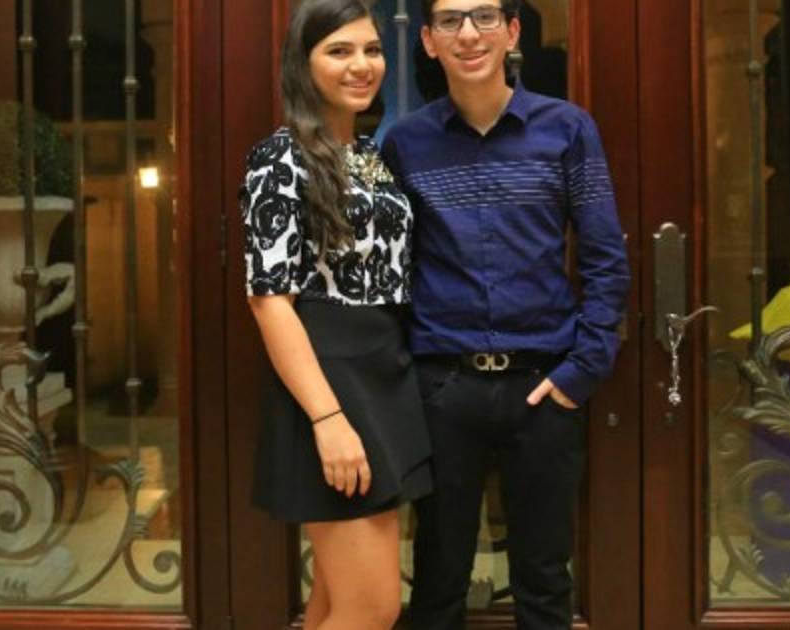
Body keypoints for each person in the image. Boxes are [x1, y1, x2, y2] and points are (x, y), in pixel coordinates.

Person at [381, 0, 630, 627]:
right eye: (450, 21)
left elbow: (605, 259)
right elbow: (389, 268)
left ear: (512, 32)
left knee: (544, 580)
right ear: (430, 41)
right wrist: (406, 378)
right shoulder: (406, 143)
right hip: (443, 387)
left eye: (485, 17)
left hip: (543, 387)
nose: (468, 33)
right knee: (438, 578)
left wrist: (582, 371)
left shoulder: (567, 128)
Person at [241, 1, 432, 628]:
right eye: (339, 51)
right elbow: (269, 300)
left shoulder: (370, 153)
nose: (362, 65)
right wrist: (327, 419)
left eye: (372, 50)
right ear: (303, 63)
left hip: (385, 367)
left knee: (333, 603)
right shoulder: (280, 157)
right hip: (330, 376)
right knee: (373, 608)